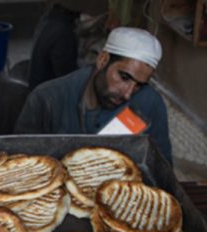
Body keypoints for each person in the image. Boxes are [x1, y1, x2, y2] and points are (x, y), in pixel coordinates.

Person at [14, 27, 173, 164]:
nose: (127, 94)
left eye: (139, 84)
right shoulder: (47, 99)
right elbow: (20, 163)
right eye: (124, 77)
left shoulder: (151, 104)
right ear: (103, 60)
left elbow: (161, 166)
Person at [26, 3, 80, 91]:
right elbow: (67, 76)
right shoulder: (64, 31)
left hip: (37, 89)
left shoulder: (48, 18)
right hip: (48, 96)